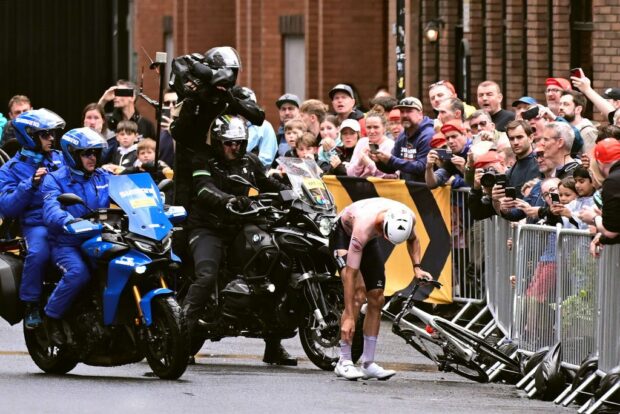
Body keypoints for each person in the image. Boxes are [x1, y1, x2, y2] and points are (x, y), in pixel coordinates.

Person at [184, 115, 296, 365]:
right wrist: (227, 200)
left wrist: (291, 192)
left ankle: (273, 345)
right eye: (229, 143)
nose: (234, 147)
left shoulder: (250, 161)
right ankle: (180, 338)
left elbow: (267, 183)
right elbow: (203, 188)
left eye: (239, 142)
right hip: (208, 227)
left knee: (271, 267)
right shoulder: (204, 160)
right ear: (218, 142)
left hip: (240, 226)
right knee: (207, 275)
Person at [331, 197, 431, 380]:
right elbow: (351, 277)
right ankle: (343, 361)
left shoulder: (407, 217)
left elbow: (414, 239)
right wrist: (349, 317)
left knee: (377, 298)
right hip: (345, 235)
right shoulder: (363, 227)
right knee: (358, 295)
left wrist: (417, 267)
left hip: (370, 240)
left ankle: (368, 363)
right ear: (383, 228)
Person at [41, 128, 110, 345]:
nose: (92, 157)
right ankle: (50, 318)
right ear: (72, 154)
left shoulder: (103, 176)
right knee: (78, 273)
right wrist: (68, 221)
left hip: (100, 237)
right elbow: (51, 208)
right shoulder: (55, 179)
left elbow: (129, 190)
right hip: (67, 242)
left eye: (95, 153)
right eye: (86, 153)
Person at [0, 109, 66, 329]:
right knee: (39, 253)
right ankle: (31, 305)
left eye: (52, 134)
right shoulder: (11, 169)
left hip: (66, 219)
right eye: (45, 134)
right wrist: (31, 183)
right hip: (37, 223)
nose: (51, 138)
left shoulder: (61, 158)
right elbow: (8, 206)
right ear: (29, 136)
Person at [372, 97, 433, 182]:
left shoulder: (428, 135)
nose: (404, 115)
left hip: (428, 191)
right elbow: (392, 168)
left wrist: (391, 160)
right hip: (408, 190)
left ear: (420, 114)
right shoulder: (402, 135)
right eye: (402, 111)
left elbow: (422, 168)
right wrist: (379, 161)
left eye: (409, 111)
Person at [580, 138, 620, 251]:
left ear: (599, 162)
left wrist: (593, 217)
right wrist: (603, 238)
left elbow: (611, 231)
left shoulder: (613, 181)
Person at [346, 111, 397, 178]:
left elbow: (391, 176)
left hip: (382, 187)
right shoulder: (362, 142)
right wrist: (360, 162)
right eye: (369, 127)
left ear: (384, 128)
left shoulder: (391, 145)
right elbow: (350, 174)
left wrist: (369, 163)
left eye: (376, 127)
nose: (372, 131)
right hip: (360, 186)